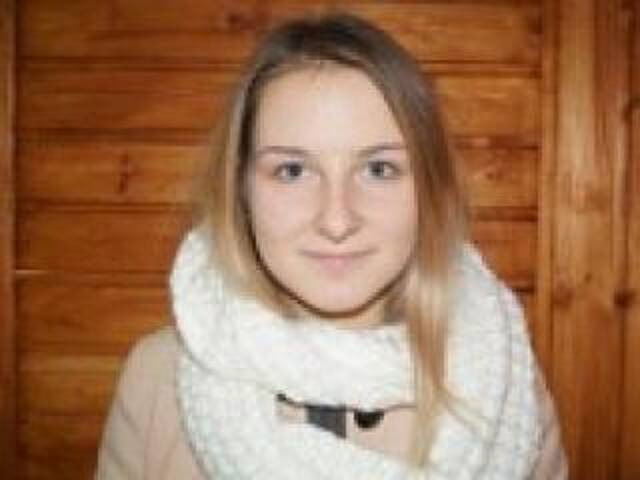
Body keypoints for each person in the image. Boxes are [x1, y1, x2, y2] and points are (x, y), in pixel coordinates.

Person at [95, 12, 567, 479]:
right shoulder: (155, 382)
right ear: (242, 190)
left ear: (430, 188)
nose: (337, 220)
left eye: (378, 169)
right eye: (292, 171)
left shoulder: (507, 388)